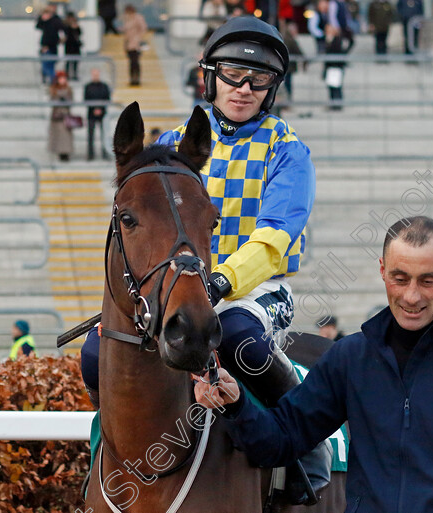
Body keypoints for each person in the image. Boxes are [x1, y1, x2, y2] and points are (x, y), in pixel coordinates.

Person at [83, 16, 326, 505]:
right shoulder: (171, 146)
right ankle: (104, 456)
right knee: (95, 352)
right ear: (209, 76)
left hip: (257, 291)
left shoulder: (288, 150)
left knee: (237, 340)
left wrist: (221, 282)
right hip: (178, 289)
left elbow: (275, 238)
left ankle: (305, 452)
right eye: (233, 74)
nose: (243, 88)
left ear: (274, 87)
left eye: (259, 80)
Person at [194, 216, 433, 513]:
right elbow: (281, 440)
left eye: (427, 281)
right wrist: (237, 404)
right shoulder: (349, 358)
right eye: (400, 278)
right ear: (382, 270)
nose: (412, 296)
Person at [84, 68, 112, 161]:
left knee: (104, 134)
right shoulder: (88, 86)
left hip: (103, 114)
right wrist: (94, 109)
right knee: (90, 135)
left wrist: (100, 109)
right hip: (91, 114)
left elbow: (107, 99)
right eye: (94, 74)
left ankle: (105, 153)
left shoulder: (104, 86)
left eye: (97, 74)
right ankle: (90, 154)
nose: (95, 76)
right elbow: (86, 99)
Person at [36, 4, 65, 85]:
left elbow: (62, 28)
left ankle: (52, 81)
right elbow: (38, 26)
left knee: (51, 65)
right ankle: (49, 80)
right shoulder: (44, 21)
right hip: (45, 46)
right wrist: (42, 18)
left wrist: (62, 39)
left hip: (53, 46)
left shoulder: (56, 19)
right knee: (46, 65)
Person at [48, 70, 74, 162]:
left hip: (66, 114)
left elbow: (71, 100)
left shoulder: (69, 89)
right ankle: (59, 152)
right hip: (57, 115)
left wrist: (65, 100)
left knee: (66, 136)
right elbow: (51, 101)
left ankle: (66, 153)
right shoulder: (53, 89)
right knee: (58, 136)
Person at [122, 4, 147, 86]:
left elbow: (143, 28)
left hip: (136, 43)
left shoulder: (138, 18)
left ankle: (137, 78)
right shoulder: (127, 19)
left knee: (135, 61)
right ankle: (132, 78)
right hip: (129, 43)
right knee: (131, 62)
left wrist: (138, 38)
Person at [63, 12, 83, 81]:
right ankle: (67, 75)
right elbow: (67, 36)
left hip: (75, 47)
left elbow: (79, 34)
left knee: (75, 62)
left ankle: (74, 74)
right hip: (69, 47)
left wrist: (76, 28)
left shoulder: (77, 27)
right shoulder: (67, 27)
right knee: (68, 62)